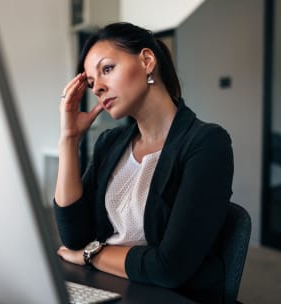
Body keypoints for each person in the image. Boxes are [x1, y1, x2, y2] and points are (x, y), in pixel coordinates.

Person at [54, 22, 234, 303]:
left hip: (168, 296)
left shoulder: (207, 143)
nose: (98, 87)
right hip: (109, 286)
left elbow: (169, 268)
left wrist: (91, 255)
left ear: (147, 61)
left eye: (107, 69)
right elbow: (75, 238)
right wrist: (69, 138)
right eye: (91, 83)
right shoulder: (109, 144)